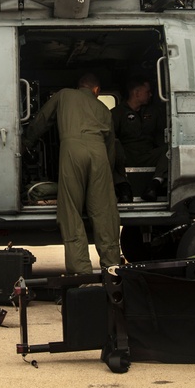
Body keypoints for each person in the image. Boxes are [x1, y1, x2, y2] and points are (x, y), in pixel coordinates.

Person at [22, 73, 121, 275]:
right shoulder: (104, 109)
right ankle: (112, 267)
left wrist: (26, 143)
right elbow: (111, 147)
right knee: (105, 213)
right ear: (96, 91)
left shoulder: (64, 95)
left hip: (73, 150)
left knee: (71, 211)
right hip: (99, 154)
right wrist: (105, 176)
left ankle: (81, 271)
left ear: (79, 86)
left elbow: (42, 120)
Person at [112, 77, 168, 203]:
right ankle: (123, 188)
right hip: (125, 156)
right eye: (147, 91)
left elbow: (161, 136)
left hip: (147, 155)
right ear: (137, 93)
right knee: (110, 148)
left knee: (171, 150)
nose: (151, 94)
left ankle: (154, 184)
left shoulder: (154, 112)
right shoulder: (117, 113)